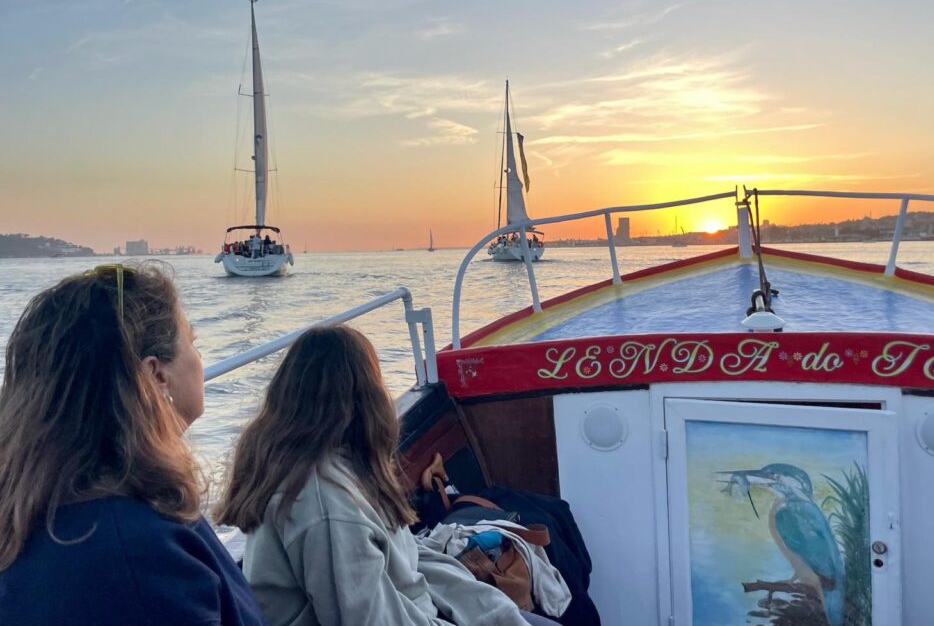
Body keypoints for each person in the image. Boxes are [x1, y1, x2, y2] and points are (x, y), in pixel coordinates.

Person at [217, 325, 558, 626]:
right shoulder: (325, 504)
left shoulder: (343, 471)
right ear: (366, 397)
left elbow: (411, 561)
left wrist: (492, 611)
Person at [0, 263, 265, 626]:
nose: (200, 360)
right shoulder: (137, 555)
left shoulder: (43, 514)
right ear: (157, 375)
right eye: (193, 343)